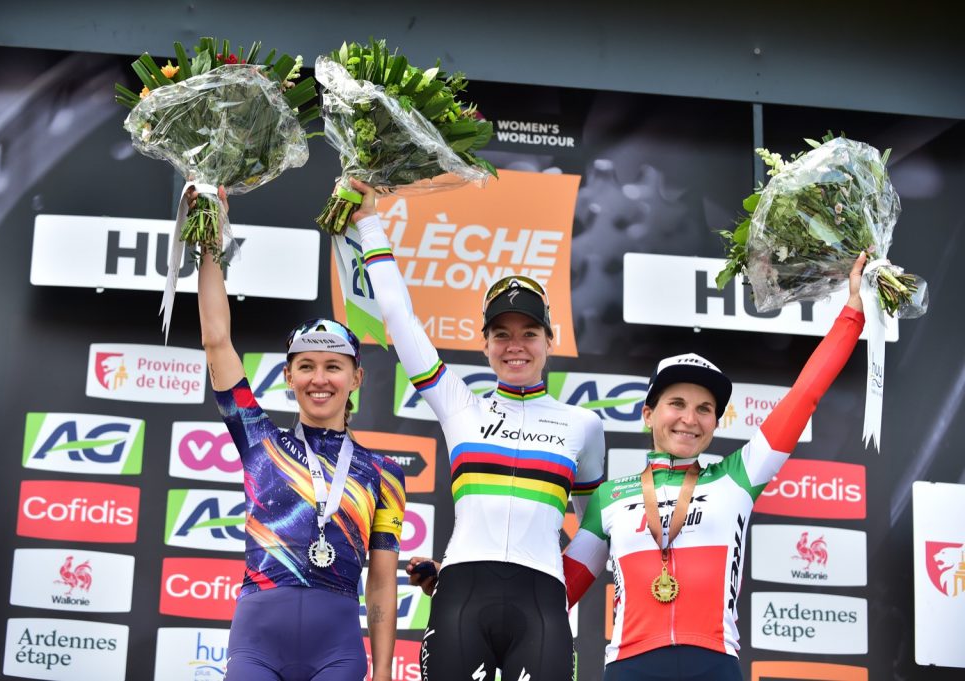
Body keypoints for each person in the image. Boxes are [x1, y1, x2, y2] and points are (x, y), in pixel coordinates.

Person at [561, 253, 869, 681]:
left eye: (705, 409)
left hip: (714, 664)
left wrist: (851, 313)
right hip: (629, 666)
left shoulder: (737, 477)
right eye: (677, 404)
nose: (690, 419)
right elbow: (558, 592)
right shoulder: (609, 498)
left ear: (716, 421)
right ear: (648, 414)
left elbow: (804, 396)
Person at [348, 179, 606, 681]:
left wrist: (562, 588)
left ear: (549, 341)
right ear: (484, 343)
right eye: (501, 334)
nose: (515, 345)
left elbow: (594, 527)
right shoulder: (459, 406)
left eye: (529, 333)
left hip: (543, 605)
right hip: (462, 595)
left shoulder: (584, 425)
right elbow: (401, 320)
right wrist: (369, 223)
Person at [194, 186, 406, 681]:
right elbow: (216, 340)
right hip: (256, 646)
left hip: (337, 652)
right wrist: (210, 241)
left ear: (356, 377)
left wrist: (382, 670)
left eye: (333, 366)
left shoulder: (383, 473)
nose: (319, 379)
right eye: (306, 366)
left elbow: (380, 582)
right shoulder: (259, 440)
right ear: (288, 377)